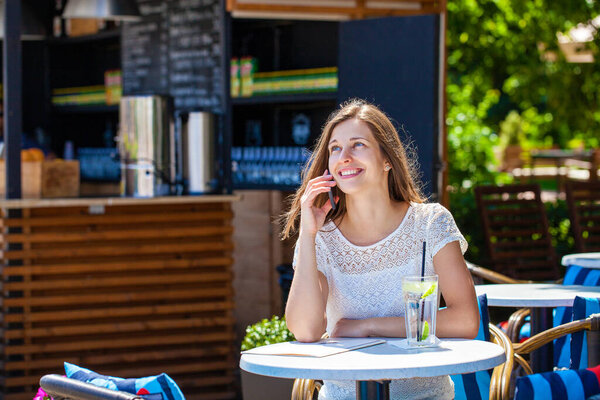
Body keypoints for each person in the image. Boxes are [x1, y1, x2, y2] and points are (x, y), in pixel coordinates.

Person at [282, 99, 479, 400]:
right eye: (335, 148)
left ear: (387, 159)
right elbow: (306, 331)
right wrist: (308, 234)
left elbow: (465, 320)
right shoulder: (321, 237)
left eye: (357, 145)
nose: (343, 157)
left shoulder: (430, 223)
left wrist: (368, 327)